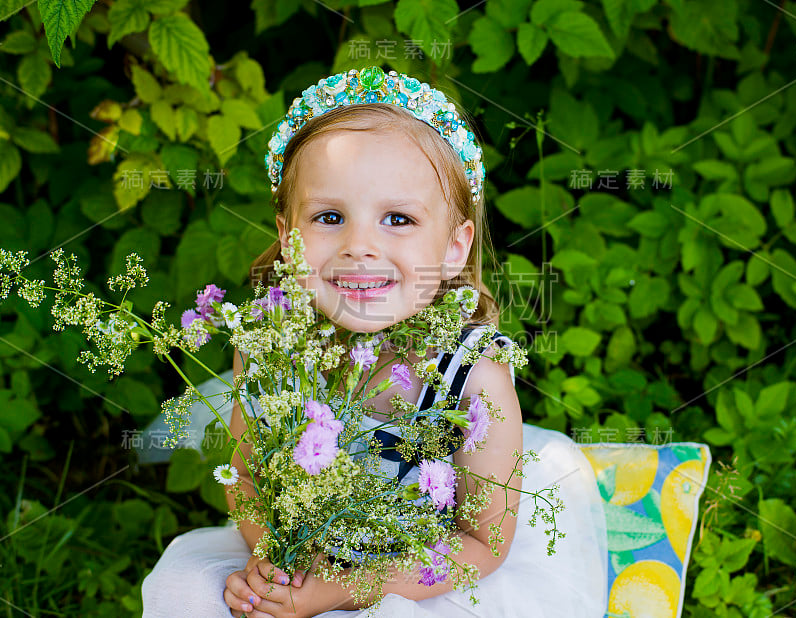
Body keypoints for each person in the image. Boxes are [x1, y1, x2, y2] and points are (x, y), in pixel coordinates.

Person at [141, 67, 608, 618]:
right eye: (329, 217)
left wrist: (342, 590)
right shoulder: (273, 350)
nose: (360, 245)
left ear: (455, 247)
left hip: (425, 574)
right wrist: (272, 558)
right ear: (288, 237)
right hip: (305, 557)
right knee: (186, 592)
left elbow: (481, 546)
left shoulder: (474, 378)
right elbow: (245, 477)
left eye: (398, 218)